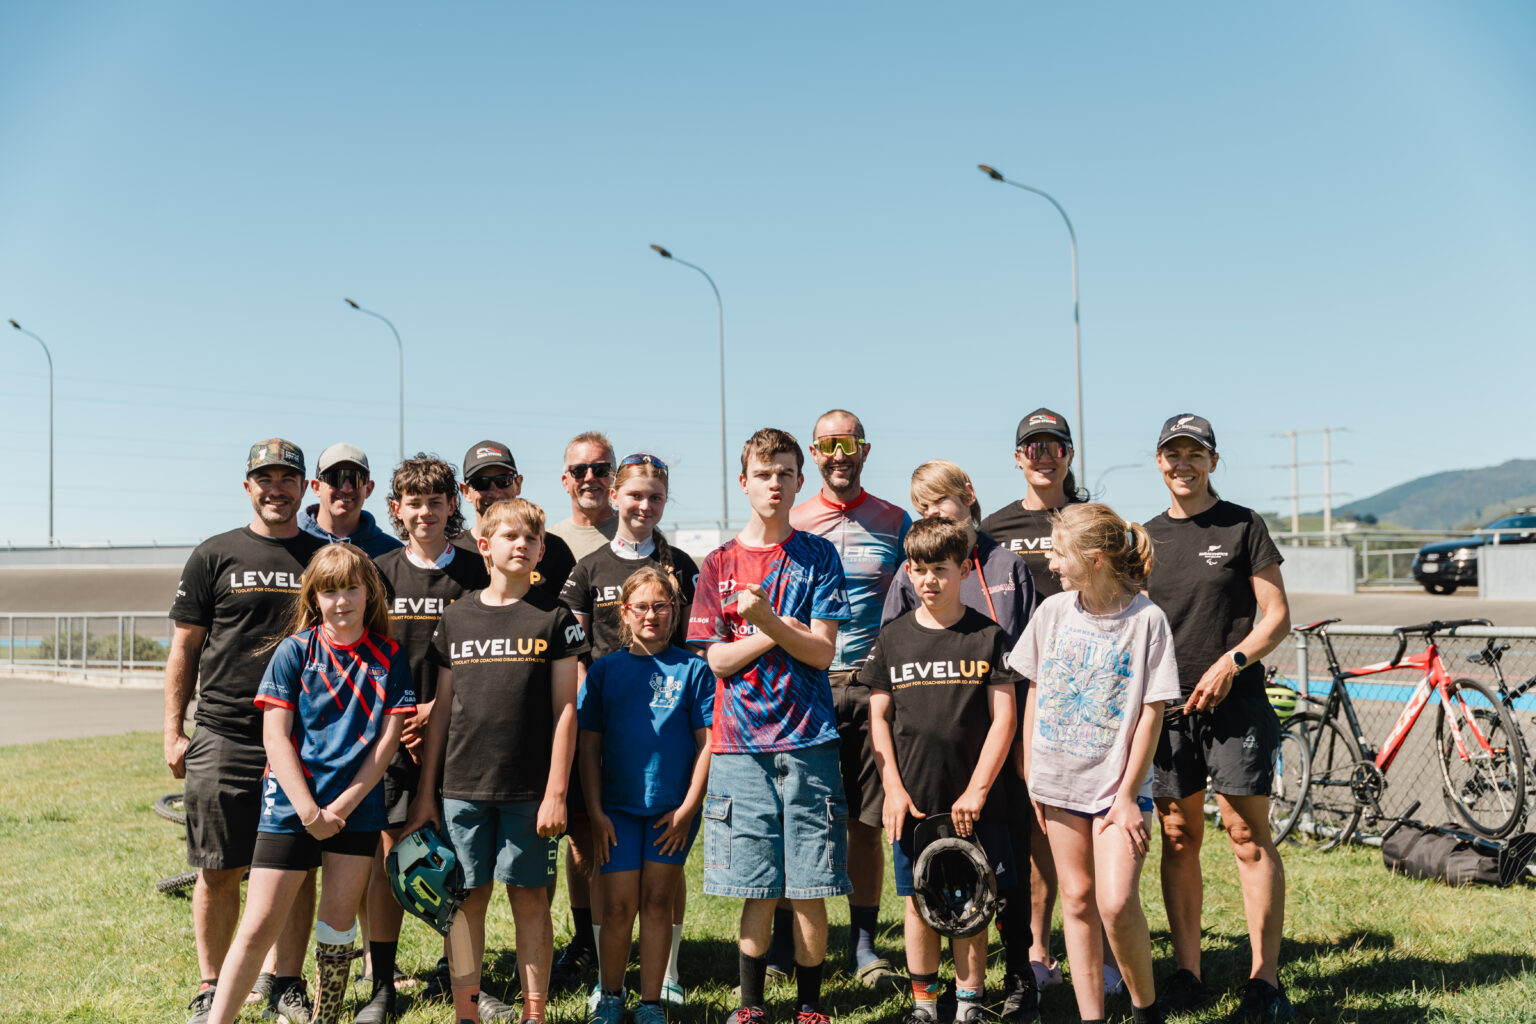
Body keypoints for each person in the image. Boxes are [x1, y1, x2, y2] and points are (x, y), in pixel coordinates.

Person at [203, 543, 415, 1024]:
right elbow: (274, 737)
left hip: (355, 809)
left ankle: (326, 1018)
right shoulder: (294, 651)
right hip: (290, 806)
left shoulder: (389, 656)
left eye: (352, 588)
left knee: (337, 928)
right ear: (315, 598)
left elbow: (386, 744)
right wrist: (309, 812)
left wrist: (341, 807)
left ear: (370, 594)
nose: (342, 601)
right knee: (257, 926)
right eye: (330, 591)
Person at [687, 427, 852, 1024]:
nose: (775, 483)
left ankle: (811, 1005)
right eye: (764, 473)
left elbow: (821, 653)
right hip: (739, 746)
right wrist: (774, 628)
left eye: (785, 473)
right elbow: (718, 659)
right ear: (744, 482)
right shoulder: (719, 563)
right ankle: (751, 1005)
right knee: (755, 885)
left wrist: (762, 621)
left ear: (799, 482)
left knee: (810, 885)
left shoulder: (818, 556)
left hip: (809, 741)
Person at [407, 497, 589, 1024]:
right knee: (467, 903)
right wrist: (426, 796)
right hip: (461, 789)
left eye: (531, 539)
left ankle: (535, 1013)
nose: (522, 545)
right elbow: (440, 714)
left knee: (530, 902)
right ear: (484, 546)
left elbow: (565, 711)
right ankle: (467, 1012)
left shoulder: (554, 618)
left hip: (530, 794)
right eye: (510, 537)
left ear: (540, 551)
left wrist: (557, 791)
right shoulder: (456, 617)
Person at [165, 439, 327, 1024]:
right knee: (218, 865)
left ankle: (287, 981)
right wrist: (173, 733)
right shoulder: (214, 554)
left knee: (296, 866)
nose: (276, 488)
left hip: (305, 739)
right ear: (247, 486)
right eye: (265, 478)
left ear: (306, 487)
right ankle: (212, 985)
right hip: (224, 734)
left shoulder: (325, 556)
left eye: (288, 478)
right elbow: (185, 648)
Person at [1142, 414, 1293, 1023]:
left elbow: (1276, 616)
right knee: (1179, 837)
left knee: (1245, 835)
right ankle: (1187, 972)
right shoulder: (1143, 537)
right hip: (1169, 708)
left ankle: (1265, 982)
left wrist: (1233, 661)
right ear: (1159, 463)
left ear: (1212, 461)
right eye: (1172, 454)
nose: (1183, 464)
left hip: (1237, 705)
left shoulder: (1242, 525)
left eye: (1194, 454)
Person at [1009, 503, 1180, 1024]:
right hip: (1057, 781)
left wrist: (1129, 793)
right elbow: (1035, 690)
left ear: (1097, 557)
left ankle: (1145, 1009)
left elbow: (1152, 711)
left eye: (1060, 553)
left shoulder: (1146, 620)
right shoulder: (1052, 613)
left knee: (1113, 901)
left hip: (1116, 791)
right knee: (1078, 901)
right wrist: (1031, 772)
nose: (1052, 564)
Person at [880, 459, 1037, 1019]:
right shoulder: (895, 635)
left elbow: (1007, 707)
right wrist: (893, 790)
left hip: (986, 780)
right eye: (921, 507)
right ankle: (925, 1002)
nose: (928, 580)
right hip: (917, 791)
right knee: (919, 897)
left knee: (983, 893)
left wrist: (982, 785)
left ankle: (986, 991)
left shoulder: (996, 603)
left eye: (939, 501)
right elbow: (883, 713)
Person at [786, 409, 910, 990]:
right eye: (828, 444)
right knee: (800, 818)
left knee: (865, 821)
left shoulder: (894, 520)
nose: (839, 454)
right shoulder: (793, 517)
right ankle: (790, 942)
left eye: (849, 443)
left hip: (869, 684)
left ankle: (864, 946)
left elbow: (914, 601)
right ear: (814, 451)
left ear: (865, 449)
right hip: (804, 683)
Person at [364, 454, 490, 1021]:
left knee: (459, 862)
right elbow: (361, 653)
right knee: (393, 859)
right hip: (391, 735)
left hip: (463, 737)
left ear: (450, 507)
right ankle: (383, 985)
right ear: (396, 509)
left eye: (435, 502)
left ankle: (463, 981)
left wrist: (439, 707)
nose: (424, 512)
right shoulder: (379, 573)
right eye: (413, 503)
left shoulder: (476, 573)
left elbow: (490, 655)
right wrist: (401, 715)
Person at [978, 407, 1085, 992]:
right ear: (1018, 457)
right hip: (1013, 692)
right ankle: (1036, 949)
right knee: (1027, 824)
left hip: (1083, 692)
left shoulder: (1092, 519)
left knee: (1074, 821)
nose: (1043, 456)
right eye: (1032, 447)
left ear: (1069, 454)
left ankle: (1092, 941)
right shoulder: (992, 529)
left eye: (1054, 446)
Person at [579, 566, 714, 1024]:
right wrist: (595, 813)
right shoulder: (604, 671)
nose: (652, 615)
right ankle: (611, 995)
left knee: (658, 901)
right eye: (642, 606)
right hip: (615, 811)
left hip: (671, 812)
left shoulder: (694, 668)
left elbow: (709, 741)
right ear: (625, 612)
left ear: (675, 612)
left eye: (662, 606)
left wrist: (689, 807)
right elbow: (589, 747)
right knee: (617, 905)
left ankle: (651, 1002)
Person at [451, 439, 577, 600]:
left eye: (503, 481)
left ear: (518, 484)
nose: (494, 492)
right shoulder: (452, 552)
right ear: (465, 491)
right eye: (481, 483)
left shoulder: (552, 549)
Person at [297, 443, 404, 557]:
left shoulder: (392, 553)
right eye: (335, 478)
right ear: (316, 487)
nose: (346, 488)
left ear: (369, 488)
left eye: (356, 478)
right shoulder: (290, 543)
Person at [550, 430, 620, 560]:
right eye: (579, 470)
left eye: (601, 470)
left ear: (614, 477)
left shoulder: (639, 533)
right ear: (565, 482)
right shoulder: (547, 541)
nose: (589, 477)